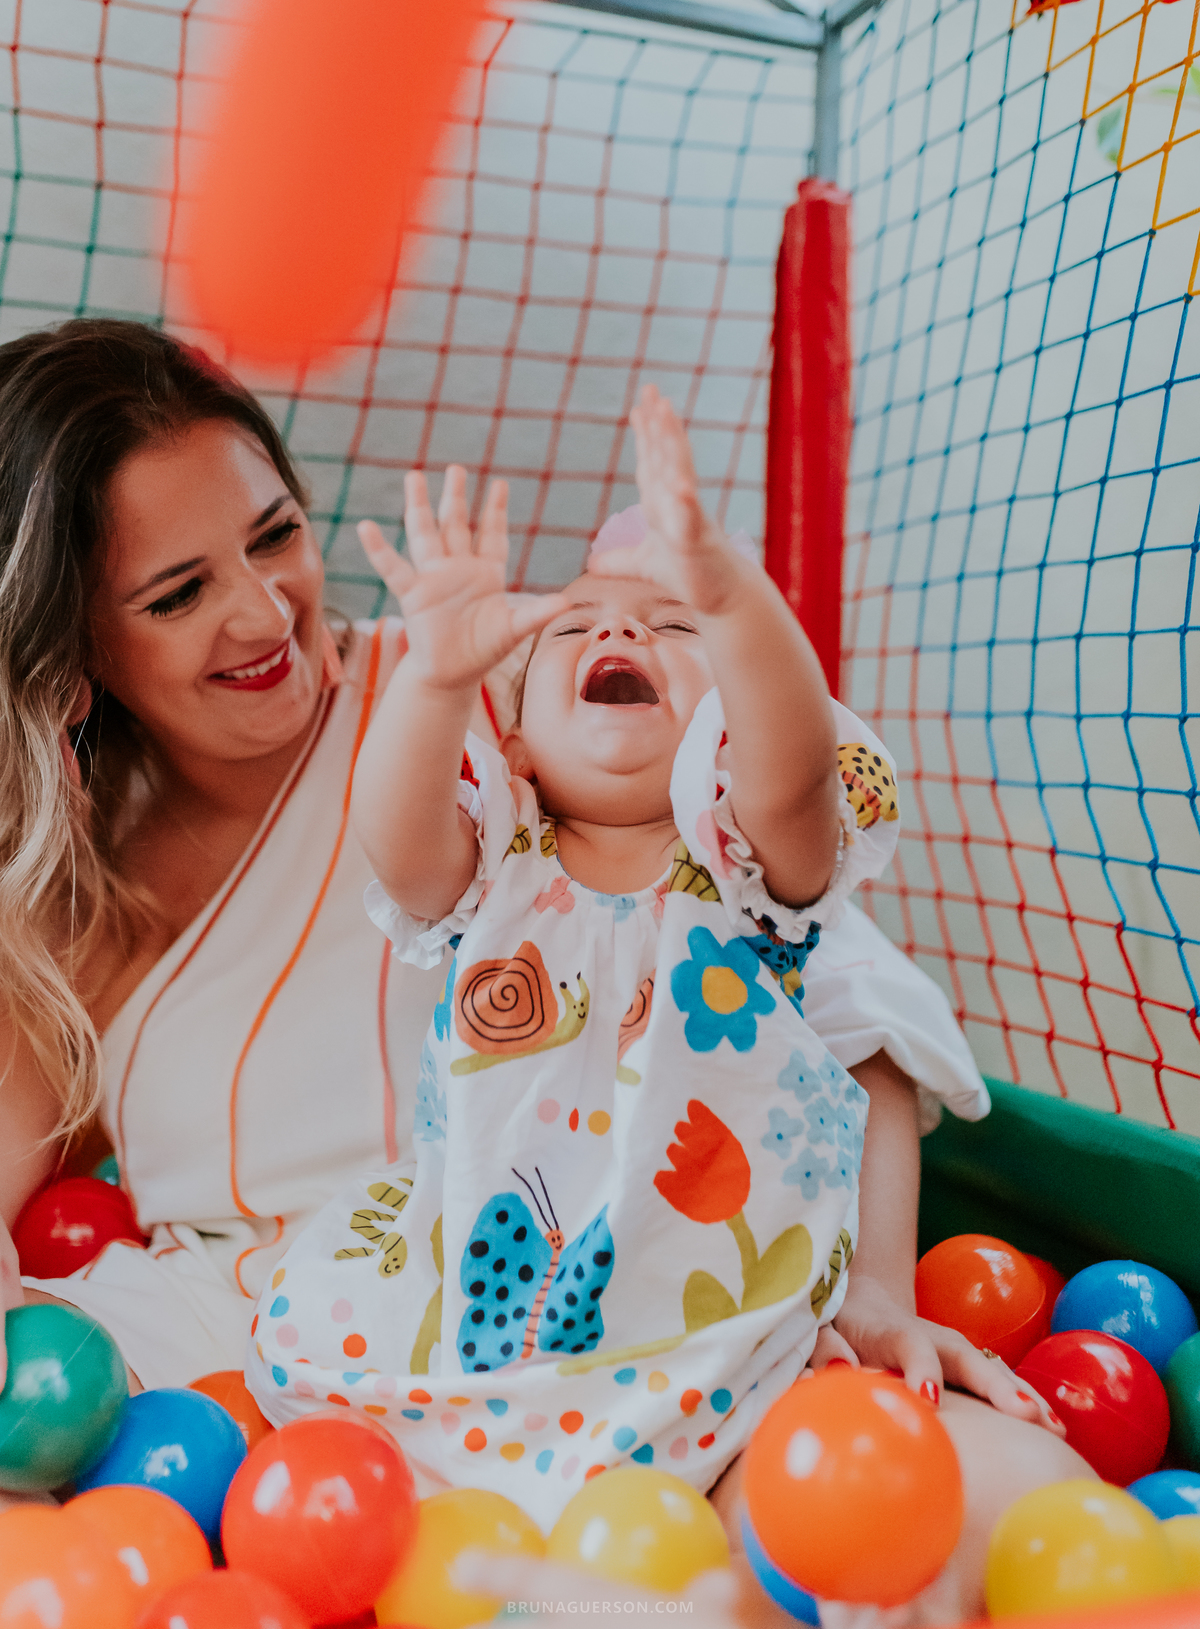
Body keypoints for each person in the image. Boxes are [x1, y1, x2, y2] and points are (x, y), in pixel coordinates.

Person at [0, 320, 989, 1425]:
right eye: (177, 594)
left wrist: (872, 1290)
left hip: (591, 1322)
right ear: (74, 645)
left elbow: (821, 975)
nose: (264, 612)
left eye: (275, 535)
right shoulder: (65, 879)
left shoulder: (503, 707)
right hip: (237, 1356)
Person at [245, 389, 1084, 1624]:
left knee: (837, 1524)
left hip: (718, 1333)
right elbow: (397, 841)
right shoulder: (496, 875)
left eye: (667, 623)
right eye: (574, 626)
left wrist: (737, 599)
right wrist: (433, 677)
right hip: (491, 1331)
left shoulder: (750, 874)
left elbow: (794, 774)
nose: (617, 629)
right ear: (518, 748)